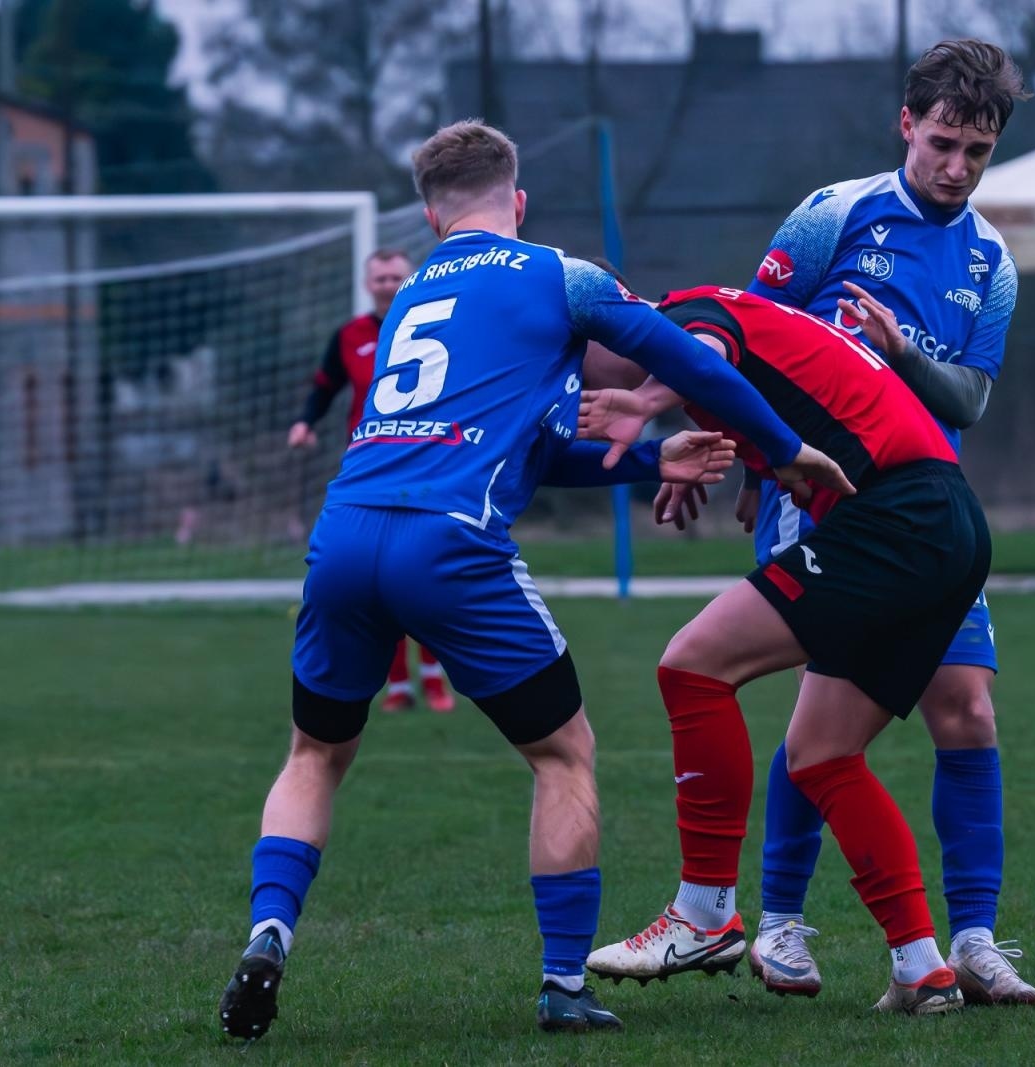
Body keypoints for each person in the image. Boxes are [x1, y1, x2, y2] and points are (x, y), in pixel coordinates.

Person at [217, 120, 852, 1040]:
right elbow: (679, 353)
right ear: (518, 202)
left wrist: (650, 459)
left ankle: (269, 932)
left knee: (313, 755)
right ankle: (562, 982)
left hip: (346, 534)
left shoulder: (404, 302)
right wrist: (789, 450)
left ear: (434, 218)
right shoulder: (560, 274)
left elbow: (539, 447)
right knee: (563, 752)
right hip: (451, 543)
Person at [656, 37, 1035, 1006]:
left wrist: (901, 353)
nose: (954, 167)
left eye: (975, 152)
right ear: (907, 123)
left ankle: (977, 938)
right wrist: (751, 462)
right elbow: (742, 336)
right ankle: (780, 920)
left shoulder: (992, 260)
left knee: (968, 708)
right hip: (818, 498)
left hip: (926, 510)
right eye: (942, 142)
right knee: (819, 719)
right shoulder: (836, 211)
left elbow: (970, 401)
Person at [582, 283, 990, 1014]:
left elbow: (702, 358)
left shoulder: (685, 316)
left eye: (571, 356)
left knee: (694, 663)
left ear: (606, 324)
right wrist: (753, 466)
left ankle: (703, 913)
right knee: (823, 753)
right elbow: (789, 390)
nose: (574, 380)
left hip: (897, 516)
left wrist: (644, 404)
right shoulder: (734, 315)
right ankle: (922, 964)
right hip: (949, 520)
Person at [287, 248, 454, 714]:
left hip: (426, 467)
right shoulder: (350, 336)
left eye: (394, 276)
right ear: (367, 284)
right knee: (379, 584)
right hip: (368, 473)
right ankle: (397, 686)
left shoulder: (435, 325)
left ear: (410, 280)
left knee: (424, 575)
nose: (386, 284)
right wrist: (305, 423)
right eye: (379, 277)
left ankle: (435, 680)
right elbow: (325, 387)